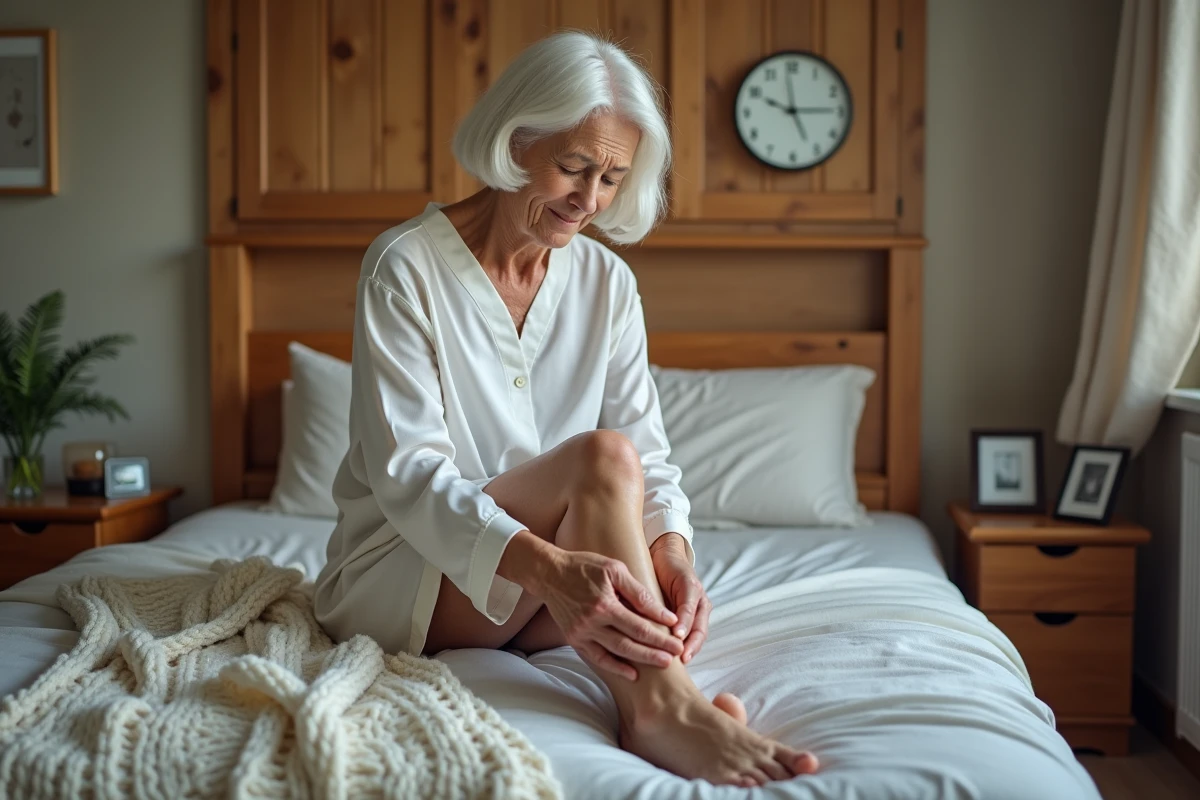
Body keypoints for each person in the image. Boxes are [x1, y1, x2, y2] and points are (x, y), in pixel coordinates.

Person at [313, 30, 819, 787]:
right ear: (513, 141)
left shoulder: (608, 284)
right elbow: (409, 474)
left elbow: (649, 460)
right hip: (408, 581)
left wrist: (674, 556)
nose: (590, 200)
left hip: (542, 588)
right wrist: (550, 570)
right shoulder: (404, 265)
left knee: (631, 507)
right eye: (574, 167)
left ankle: (663, 697)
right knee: (599, 458)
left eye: (611, 178)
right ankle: (665, 711)